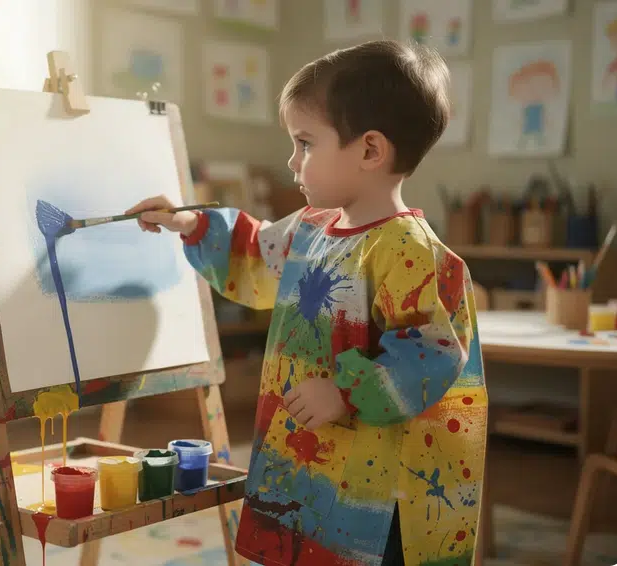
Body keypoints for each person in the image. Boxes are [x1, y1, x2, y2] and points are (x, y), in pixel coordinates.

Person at [127, 40, 487, 566]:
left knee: (356, 553)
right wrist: (188, 223)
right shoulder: (311, 228)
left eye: (305, 143)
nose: (291, 161)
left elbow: (430, 354)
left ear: (369, 151)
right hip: (310, 455)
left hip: (377, 483)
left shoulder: (410, 252)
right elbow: (253, 253)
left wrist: (345, 391)